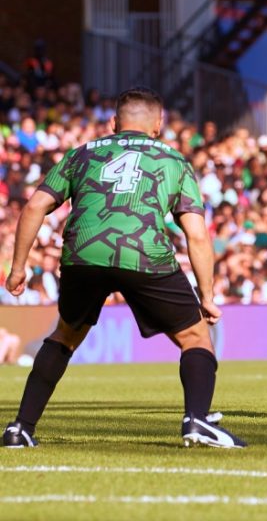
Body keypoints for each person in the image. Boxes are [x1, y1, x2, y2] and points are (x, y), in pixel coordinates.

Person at [2, 86, 245, 449]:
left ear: (114, 123)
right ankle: (196, 419)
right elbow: (196, 234)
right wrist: (207, 296)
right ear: (158, 126)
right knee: (196, 338)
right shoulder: (173, 160)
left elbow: (35, 206)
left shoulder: (81, 154)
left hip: (84, 253)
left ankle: (21, 428)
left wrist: (18, 268)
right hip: (143, 253)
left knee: (64, 336)